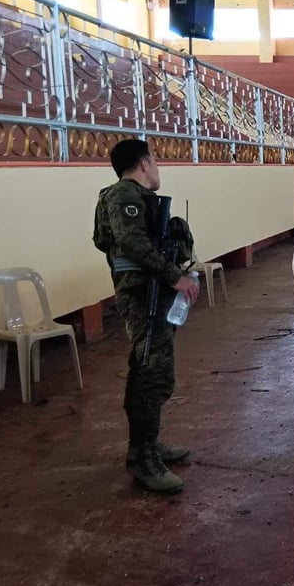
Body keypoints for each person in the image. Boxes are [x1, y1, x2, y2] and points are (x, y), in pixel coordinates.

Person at [93, 139, 200, 494]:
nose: (157, 168)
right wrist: (174, 276)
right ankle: (144, 458)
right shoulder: (124, 194)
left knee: (151, 371)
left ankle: (144, 446)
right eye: (154, 161)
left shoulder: (133, 198)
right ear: (143, 163)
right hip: (143, 296)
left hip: (151, 293)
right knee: (150, 372)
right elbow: (132, 242)